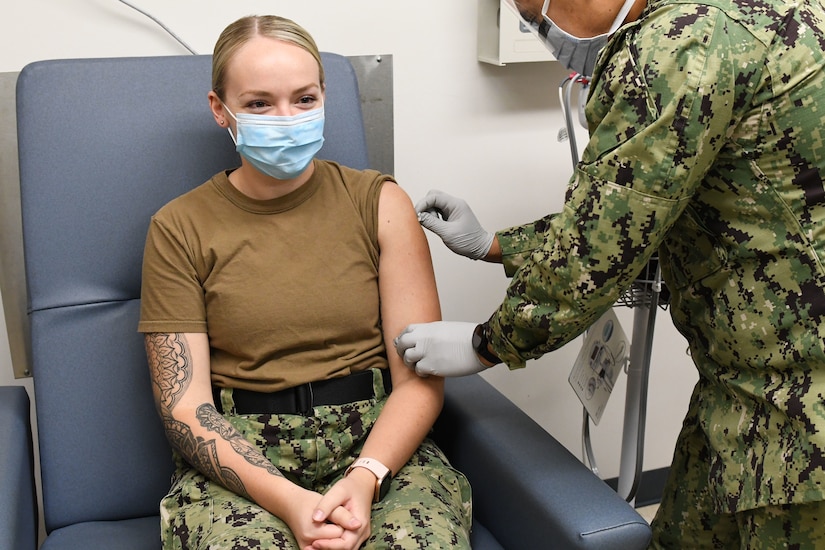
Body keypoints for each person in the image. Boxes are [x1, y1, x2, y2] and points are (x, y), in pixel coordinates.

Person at [394, 0, 825, 547]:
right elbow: (640, 212)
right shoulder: (776, 13)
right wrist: (495, 245)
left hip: (796, 409)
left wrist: (487, 343)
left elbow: (596, 252)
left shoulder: (677, 45)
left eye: (533, 13)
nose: (542, 31)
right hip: (746, 390)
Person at [138, 15, 472, 550]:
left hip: (376, 444)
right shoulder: (178, 228)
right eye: (258, 103)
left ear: (324, 98)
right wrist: (292, 503)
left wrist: (365, 478)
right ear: (219, 109)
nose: (286, 118)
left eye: (304, 98)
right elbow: (185, 406)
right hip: (241, 460)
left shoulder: (381, 204)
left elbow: (418, 378)